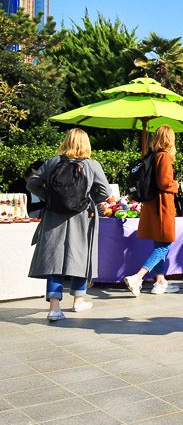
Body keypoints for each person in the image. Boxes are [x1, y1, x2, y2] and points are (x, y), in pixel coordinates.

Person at [27, 128, 111, 321]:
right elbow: (105, 191)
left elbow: (32, 184)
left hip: (54, 216)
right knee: (81, 255)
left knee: (53, 259)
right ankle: (78, 301)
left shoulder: (53, 162)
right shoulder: (92, 165)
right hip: (82, 217)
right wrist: (87, 200)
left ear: (66, 141)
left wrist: (50, 198)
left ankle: (54, 308)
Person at [123, 126, 180, 296]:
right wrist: (176, 186)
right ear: (170, 139)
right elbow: (164, 183)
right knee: (165, 244)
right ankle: (138, 277)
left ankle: (160, 281)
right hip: (162, 206)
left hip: (151, 205)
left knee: (158, 243)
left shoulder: (151, 156)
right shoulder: (164, 157)